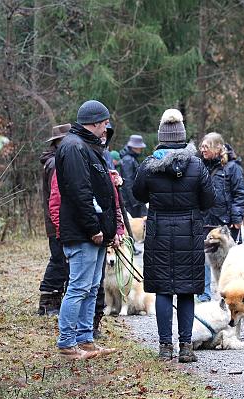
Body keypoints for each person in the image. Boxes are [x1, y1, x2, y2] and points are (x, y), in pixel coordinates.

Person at [133, 108, 215, 363]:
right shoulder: (197, 164)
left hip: (159, 232)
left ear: (161, 136)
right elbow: (209, 199)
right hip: (189, 232)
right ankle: (186, 348)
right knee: (187, 290)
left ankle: (165, 347)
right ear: (182, 135)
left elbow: (138, 194)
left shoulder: (149, 165)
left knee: (164, 291)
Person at [55, 100, 120, 360]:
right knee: (79, 287)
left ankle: (85, 339)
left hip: (95, 233)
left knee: (92, 287)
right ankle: (67, 344)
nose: (106, 128)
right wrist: (93, 227)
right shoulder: (73, 148)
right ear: (94, 122)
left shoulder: (86, 147)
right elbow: (80, 193)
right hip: (83, 232)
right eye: (104, 123)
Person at [198, 132, 244, 302]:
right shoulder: (199, 166)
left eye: (206, 146)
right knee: (203, 257)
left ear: (218, 148)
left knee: (229, 260)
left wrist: (237, 218)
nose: (202, 149)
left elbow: (240, 193)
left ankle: (230, 293)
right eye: (202, 146)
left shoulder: (233, 168)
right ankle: (204, 294)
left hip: (225, 222)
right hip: (204, 219)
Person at [37, 123, 71, 316]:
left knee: (61, 261)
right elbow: (56, 199)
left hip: (58, 221)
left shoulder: (56, 161)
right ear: (59, 142)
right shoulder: (55, 164)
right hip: (57, 221)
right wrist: (59, 225)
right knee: (58, 260)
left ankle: (54, 302)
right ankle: (48, 303)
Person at [120, 134, 148, 218]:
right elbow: (128, 182)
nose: (141, 149)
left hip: (133, 199)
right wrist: (135, 202)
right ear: (134, 147)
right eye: (139, 146)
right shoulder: (128, 160)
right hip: (131, 202)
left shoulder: (131, 158)